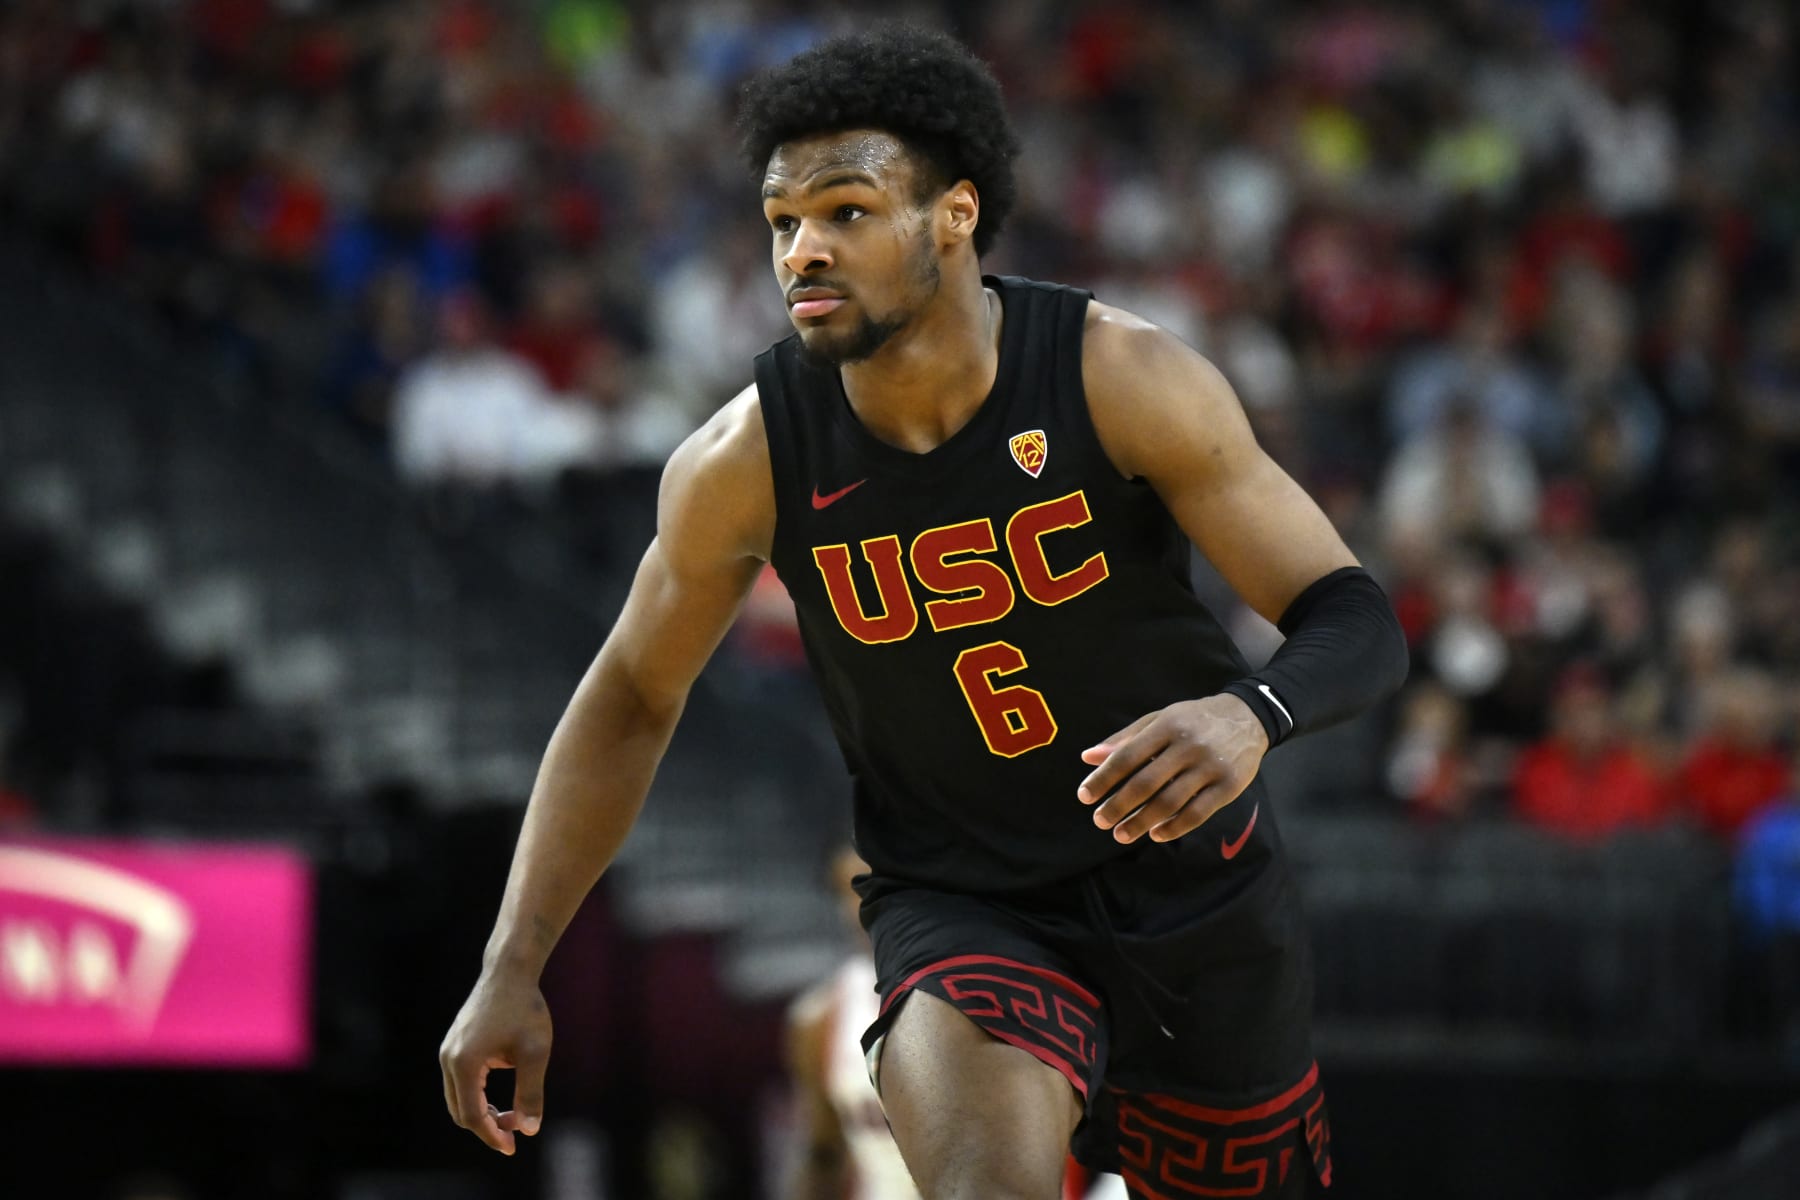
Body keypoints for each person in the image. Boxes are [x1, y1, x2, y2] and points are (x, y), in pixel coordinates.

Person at [439, 25, 1408, 1200]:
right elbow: (633, 695)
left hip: (1195, 899)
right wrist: (512, 962)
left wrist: (1250, 714)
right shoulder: (745, 458)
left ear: (953, 214)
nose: (803, 250)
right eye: (783, 222)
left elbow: (1353, 614)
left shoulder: (1119, 375)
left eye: (847, 211)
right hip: (967, 901)